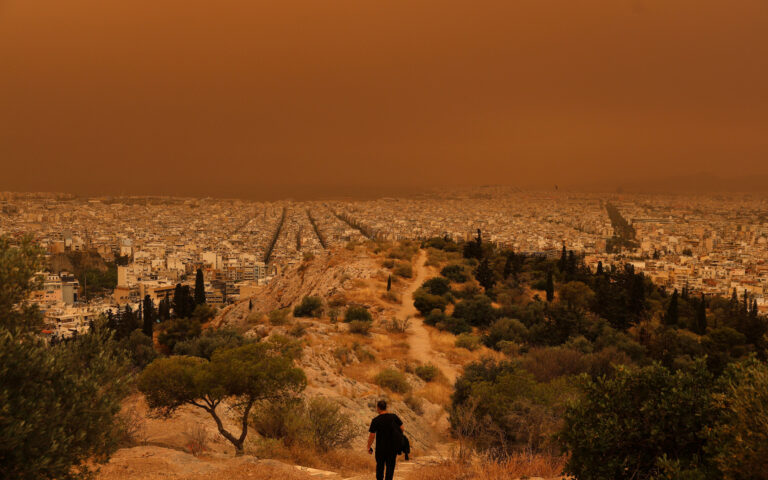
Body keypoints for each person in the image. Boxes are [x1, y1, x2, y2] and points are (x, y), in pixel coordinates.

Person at [367, 399, 404, 480]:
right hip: (392, 448)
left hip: (380, 449)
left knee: (380, 468)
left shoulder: (375, 420)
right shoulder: (394, 417)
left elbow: (372, 436)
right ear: (386, 407)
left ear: (378, 408)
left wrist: (369, 447)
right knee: (390, 469)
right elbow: (402, 428)